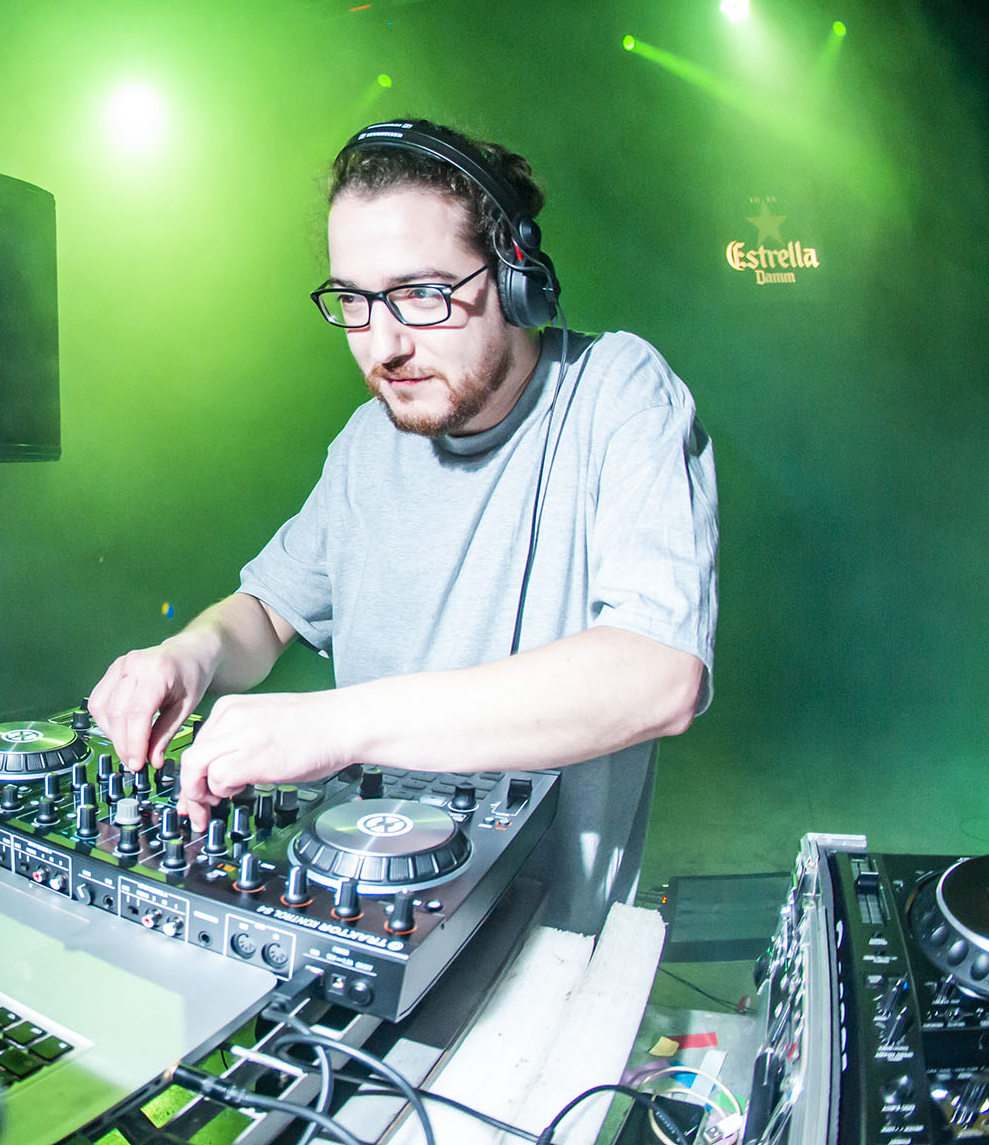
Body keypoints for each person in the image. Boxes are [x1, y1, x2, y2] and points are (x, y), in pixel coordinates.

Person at [88, 118, 717, 933]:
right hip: (360, 902)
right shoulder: (366, 442)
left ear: (516, 278)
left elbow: (660, 675)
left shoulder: (617, 392)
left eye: (421, 294)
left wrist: (338, 725)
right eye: (354, 301)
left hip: (539, 948)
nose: (382, 346)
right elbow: (269, 611)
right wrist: (190, 654)